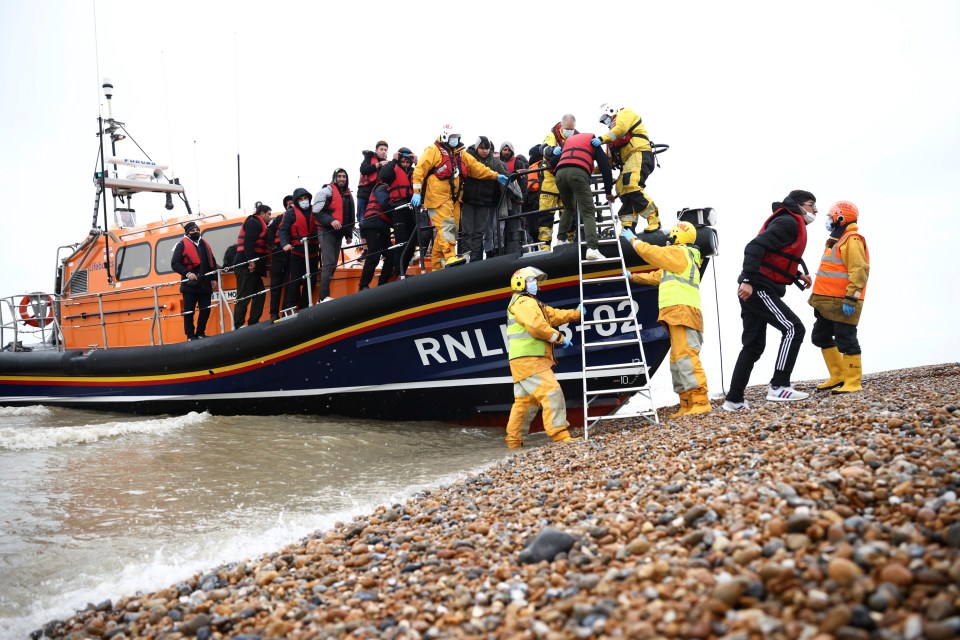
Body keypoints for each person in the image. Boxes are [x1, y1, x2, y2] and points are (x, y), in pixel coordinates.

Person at [723, 190, 817, 410]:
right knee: (794, 329)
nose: (815, 210)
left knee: (753, 346)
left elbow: (776, 257)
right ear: (798, 205)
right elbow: (754, 247)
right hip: (757, 287)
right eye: (812, 204)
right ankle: (779, 386)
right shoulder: (788, 222)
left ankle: (734, 400)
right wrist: (747, 279)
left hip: (755, 287)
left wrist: (796, 275)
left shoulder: (787, 222)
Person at [622, 221, 711, 417]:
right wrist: (632, 276)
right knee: (677, 360)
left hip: (683, 312)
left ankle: (700, 400)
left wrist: (634, 241)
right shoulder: (681, 259)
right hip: (677, 314)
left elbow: (654, 254)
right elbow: (657, 276)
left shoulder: (680, 253)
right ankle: (687, 403)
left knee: (686, 356)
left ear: (678, 235)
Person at [411, 124, 508, 270]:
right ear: (445, 136)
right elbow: (420, 170)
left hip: (454, 199)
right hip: (437, 197)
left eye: (457, 138)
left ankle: (438, 266)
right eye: (453, 138)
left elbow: (477, 168)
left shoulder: (461, 155)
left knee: (451, 230)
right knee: (446, 227)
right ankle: (450, 256)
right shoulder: (433, 151)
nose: (455, 140)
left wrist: (495, 176)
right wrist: (417, 192)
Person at [505, 267, 583, 448]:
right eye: (532, 280)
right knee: (552, 392)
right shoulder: (524, 302)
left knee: (525, 402)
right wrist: (559, 338)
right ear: (521, 283)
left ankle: (514, 443)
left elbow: (552, 315)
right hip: (530, 359)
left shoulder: (529, 303)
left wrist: (575, 314)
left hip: (522, 360)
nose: (535, 284)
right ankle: (560, 435)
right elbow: (537, 327)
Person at [808, 200, 869, 394]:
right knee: (820, 336)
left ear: (840, 217)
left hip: (844, 301)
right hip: (827, 302)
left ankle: (853, 381)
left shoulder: (852, 239)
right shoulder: (837, 239)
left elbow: (859, 270)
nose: (828, 220)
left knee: (846, 339)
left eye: (830, 217)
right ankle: (838, 375)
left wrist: (852, 298)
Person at [593, 104, 661, 236]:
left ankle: (653, 218)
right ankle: (627, 228)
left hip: (639, 153)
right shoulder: (611, 138)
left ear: (610, 111)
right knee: (622, 189)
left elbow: (621, 129)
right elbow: (608, 160)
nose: (605, 122)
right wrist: (591, 172)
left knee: (631, 184)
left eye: (605, 118)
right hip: (627, 162)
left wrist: (601, 139)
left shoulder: (625, 114)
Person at [553, 131, 616, 261]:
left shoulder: (567, 143)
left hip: (560, 174)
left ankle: (561, 240)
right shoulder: (592, 141)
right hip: (578, 174)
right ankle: (592, 248)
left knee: (568, 207)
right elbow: (605, 167)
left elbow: (552, 162)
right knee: (587, 211)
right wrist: (608, 191)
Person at [461, 136, 508, 263]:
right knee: (467, 230)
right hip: (468, 200)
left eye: (487, 148)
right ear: (477, 148)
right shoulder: (467, 158)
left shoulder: (495, 162)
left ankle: (475, 258)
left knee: (479, 232)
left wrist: (510, 177)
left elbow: (507, 174)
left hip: (485, 201)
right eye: (482, 148)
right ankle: (465, 256)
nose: (485, 151)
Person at [312, 168, 356, 302]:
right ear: (335, 178)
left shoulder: (348, 195)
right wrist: (331, 220)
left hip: (339, 233)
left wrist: (349, 234)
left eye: (344, 176)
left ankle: (324, 296)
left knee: (333, 265)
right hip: (326, 231)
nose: (342, 179)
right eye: (340, 176)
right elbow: (317, 212)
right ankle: (322, 297)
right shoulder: (326, 192)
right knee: (329, 263)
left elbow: (349, 216)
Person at [171, 221, 218, 340]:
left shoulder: (204, 244)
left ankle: (200, 332)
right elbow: (175, 263)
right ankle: (190, 336)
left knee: (205, 310)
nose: (196, 232)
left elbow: (212, 261)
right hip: (190, 285)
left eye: (197, 230)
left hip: (205, 284)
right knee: (189, 312)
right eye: (193, 230)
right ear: (188, 232)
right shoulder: (181, 245)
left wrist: (214, 278)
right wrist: (187, 273)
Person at [537, 114, 578, 249]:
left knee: (569, 214)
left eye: (571, 129)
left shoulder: (578, 136)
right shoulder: (553, 135)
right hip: (549, 180)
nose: (569, 131)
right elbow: (543, 148)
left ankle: (569, 243)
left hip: (567, 181)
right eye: (567, 129)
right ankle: (545, 246)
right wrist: (552, 150)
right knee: (546, 217)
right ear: (561, 126)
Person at [233, 202, 273, 328]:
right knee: (243, 295)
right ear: (261, 213)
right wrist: (251, 260)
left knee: (260, 293)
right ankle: (238, 324)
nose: (270, 217)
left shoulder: (260, 224)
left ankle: (253, 322)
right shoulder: (253, 222)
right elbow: (248, 241)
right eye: (269, 214)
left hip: (253, 266)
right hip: (245, 265)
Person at [379, 147, 417, 277]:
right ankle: (399, 272)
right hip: (398, 209)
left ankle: (401, 271)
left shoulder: (414, 172)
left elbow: (426, 179)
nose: (405, 164)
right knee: (402, 242)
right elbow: (383, 175)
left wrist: (418, 163)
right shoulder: (393, 170)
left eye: (408, 162)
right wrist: (393, 161)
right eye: (403, 161)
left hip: (411, 209)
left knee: (412, 244)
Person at [279, 187, 319, 312]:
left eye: (305, 198)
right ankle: (290, 309)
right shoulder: (291, 213)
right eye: (301, 199)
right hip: (297, 253)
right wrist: (285, 244)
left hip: (312, 252)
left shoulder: (315, 210)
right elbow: (284, 231)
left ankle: (305, 308)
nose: (303, 201)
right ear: (296, 201)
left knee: (311, 282)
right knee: (294, 282)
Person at [357, 181, 397, 290]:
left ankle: (382, 283)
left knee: (390, 255)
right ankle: (363, 285)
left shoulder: (386, 189)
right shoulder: (382, 188)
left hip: (382, 227)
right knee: (374, 255)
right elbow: (385, 203)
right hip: (374, 225)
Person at [492, 141, 528, 256]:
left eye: (508, 150)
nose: (506, 152)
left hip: (514, 200)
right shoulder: (497, 163)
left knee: (514, 224)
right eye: (504, 150)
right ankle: (503, 251)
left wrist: (521, 197)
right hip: (502, 200)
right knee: (502, 226)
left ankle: (515, 249)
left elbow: (523, 181)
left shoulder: (518, 163)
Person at [267, 195, 293, 321]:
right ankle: (273, 313)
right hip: (278, 253)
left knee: (290, 283)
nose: (291, 205)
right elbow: (269, 232)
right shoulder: (279, 219)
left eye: (293, 203)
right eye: (288, 203)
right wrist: (274, 246)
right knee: (275, 285)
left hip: (292, 254)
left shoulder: (298, 217)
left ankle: (286, 311)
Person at [357, 141, 388, 225]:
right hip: (364, 195)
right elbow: (363, 170)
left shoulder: (388, 164)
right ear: (376, 150)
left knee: (376, 220)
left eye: (385, 150)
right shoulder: (369, 158)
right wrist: (379, 164)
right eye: (381, 149)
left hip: (377, 197)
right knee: (362, 220)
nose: (383, 151)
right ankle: (363, 237)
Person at [522, 144, 544, 245]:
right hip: (532, 199)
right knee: (535, 228)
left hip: (537, 199)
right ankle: (540, 245)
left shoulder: (540, 166)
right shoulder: (535, 167)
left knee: (538, 227)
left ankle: (541, 245)